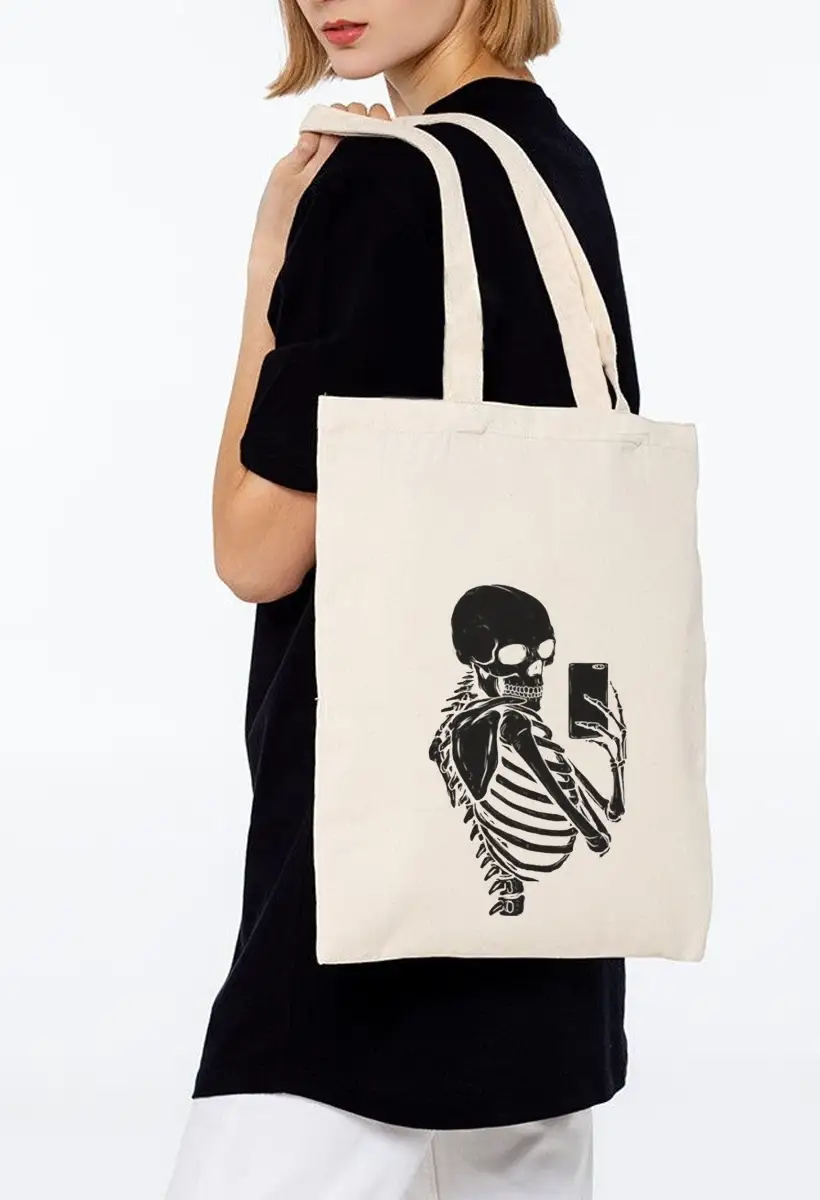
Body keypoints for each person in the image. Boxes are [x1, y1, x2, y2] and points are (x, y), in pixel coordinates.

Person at [166, 1, 641, 1196]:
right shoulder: (557, 165)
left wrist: (268, 272)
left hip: (362, 920)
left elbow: (254, 552)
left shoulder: (379, 187)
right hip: (551, 949)